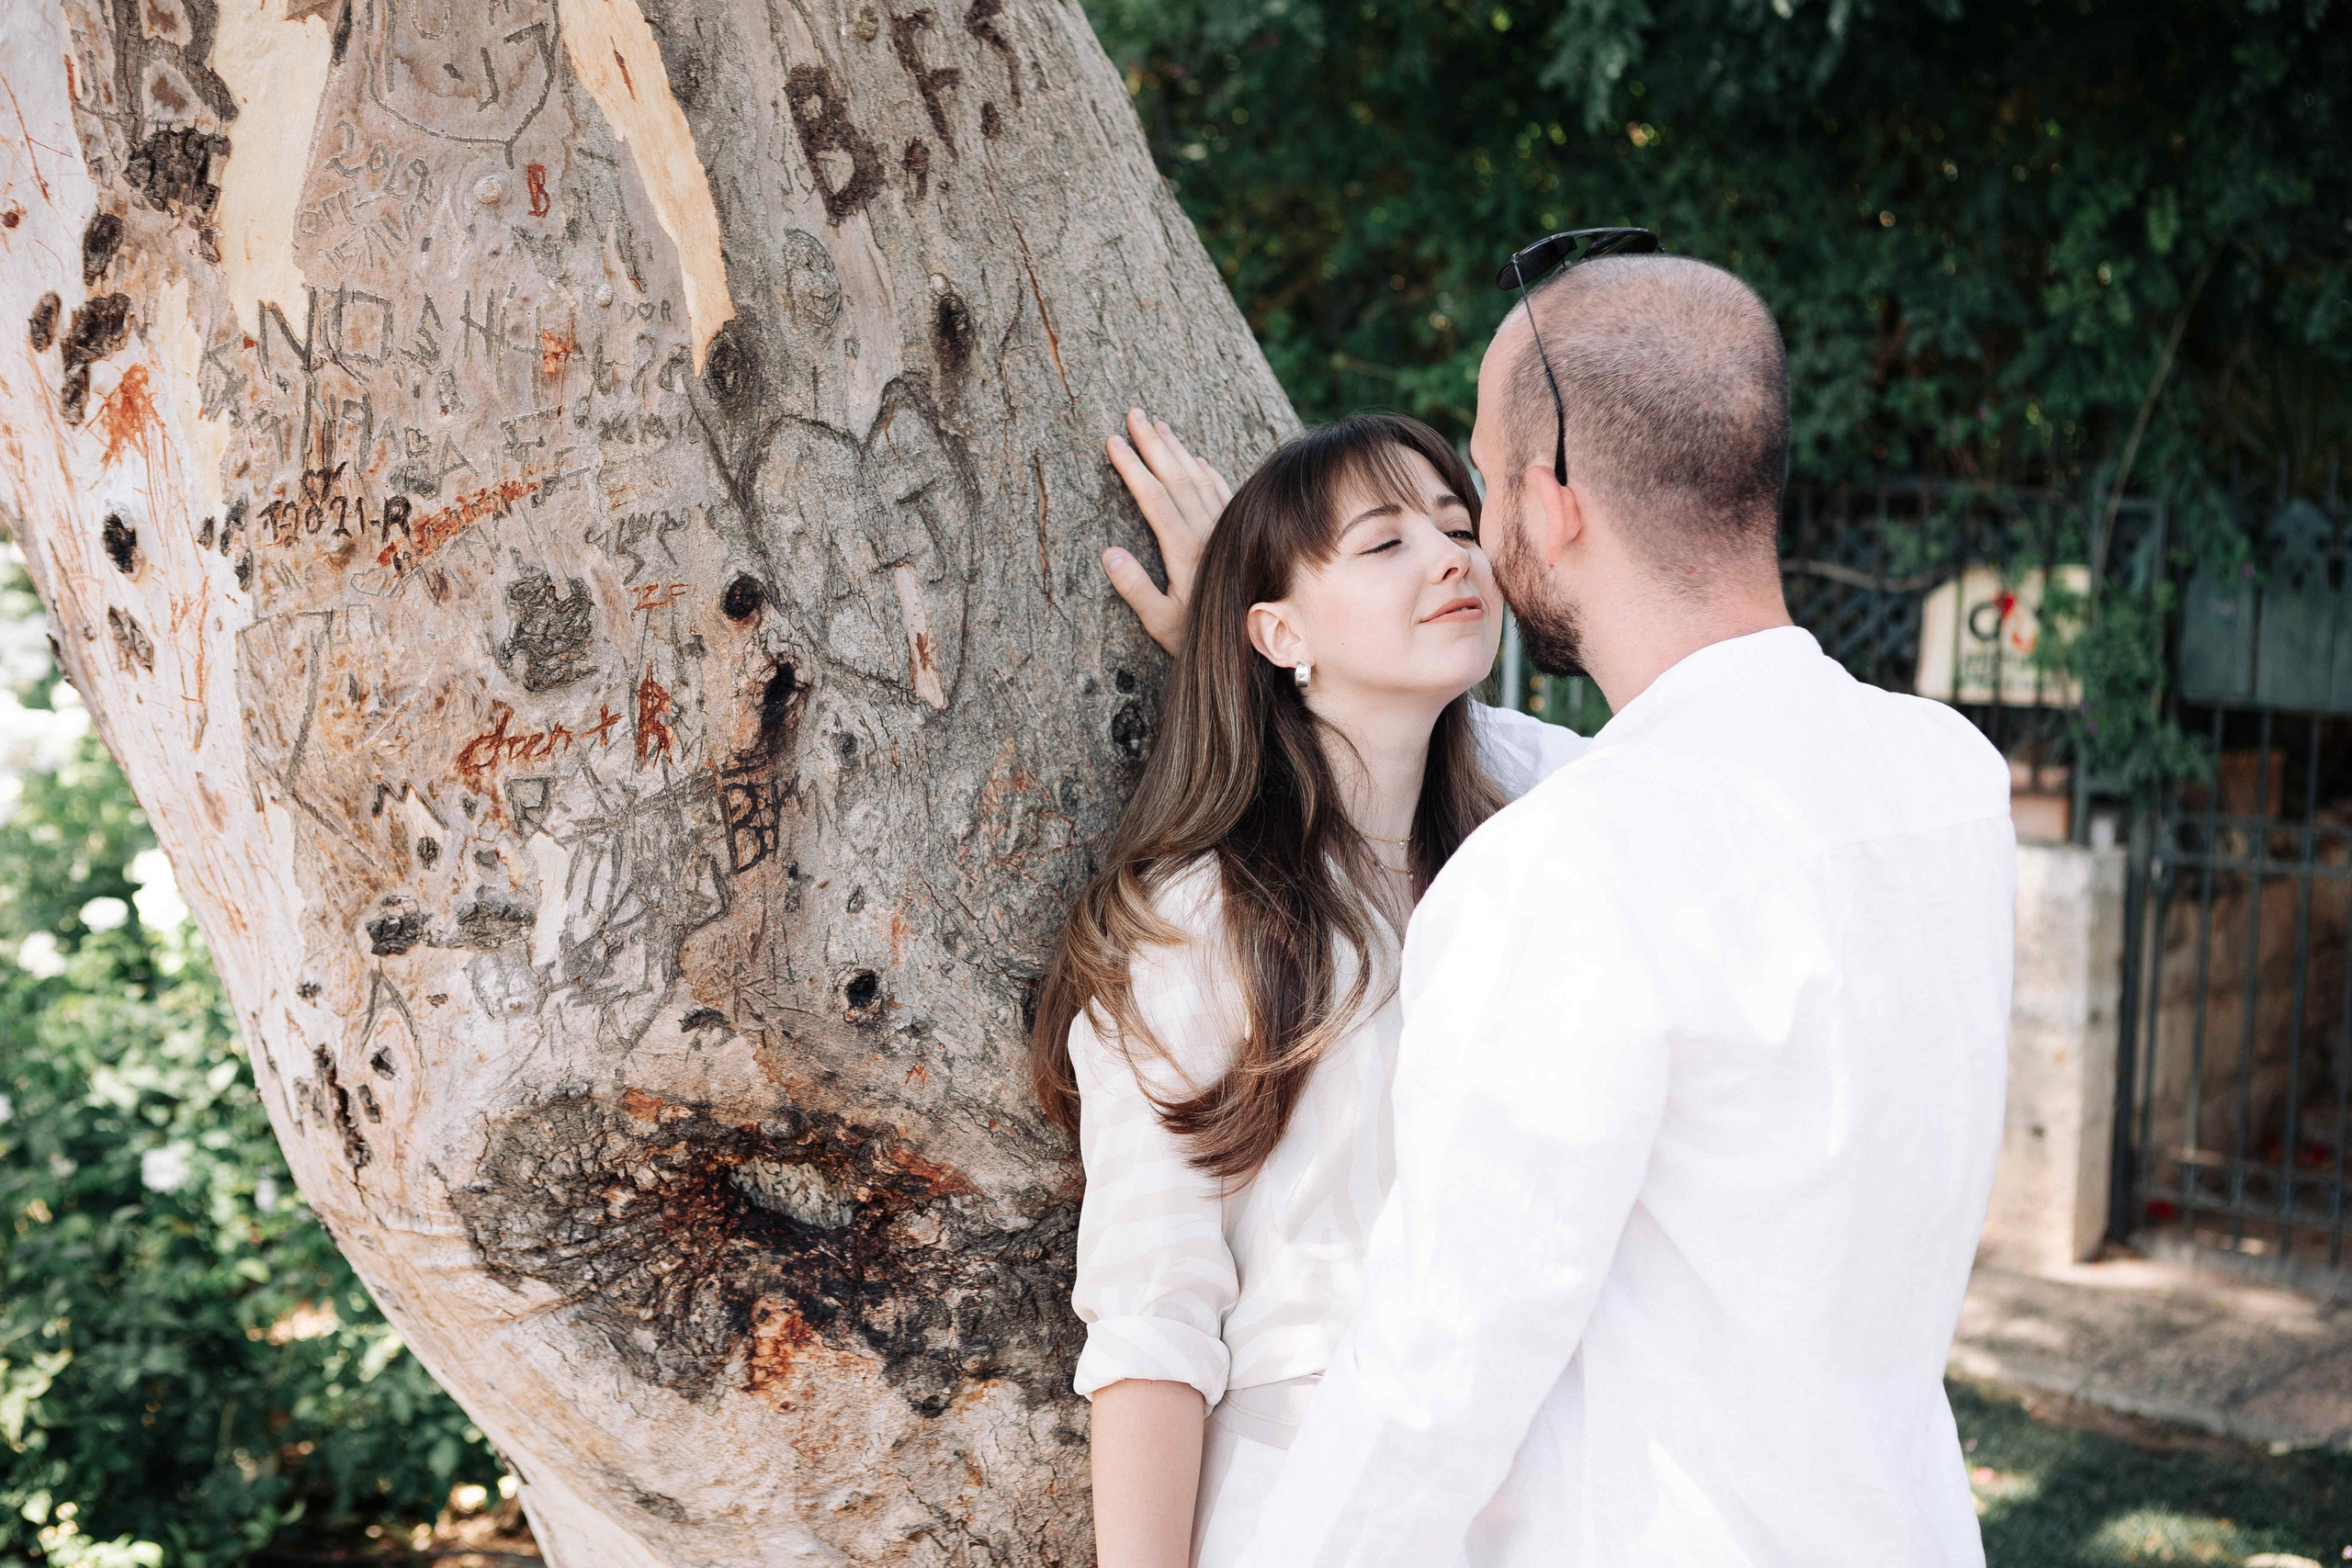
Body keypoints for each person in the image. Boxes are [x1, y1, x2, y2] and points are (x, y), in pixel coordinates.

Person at [1201, 248, 2016, 1566]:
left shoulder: (1567, 868)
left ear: (1550, 500)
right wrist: (1285, 644)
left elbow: (1436, 1379)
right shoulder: (1947, 777)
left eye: (1476, 480)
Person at [1030, 409, 1587, 1568]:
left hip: (1544, 1490)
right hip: (1314, 1507)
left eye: (1453, 523)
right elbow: (1153, 1313)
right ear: (1276, 630)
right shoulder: (1195, 923)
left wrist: (1272, 651)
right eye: (1381, 545)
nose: (1451, 558)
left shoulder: (1540, 822)